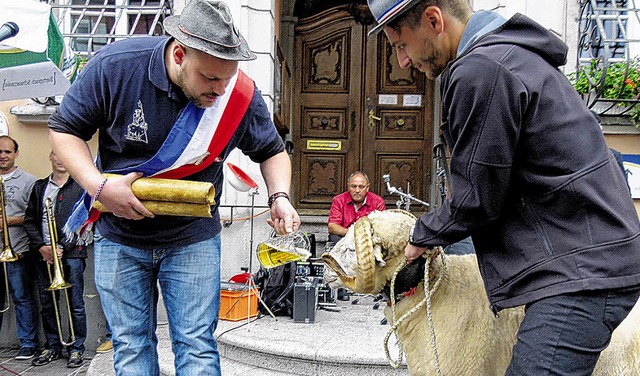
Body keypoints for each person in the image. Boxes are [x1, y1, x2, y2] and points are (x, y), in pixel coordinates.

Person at [366, 0, 640, 374]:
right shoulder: (509, 56)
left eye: (400, 44)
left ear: (433, 19)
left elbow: (476, 199)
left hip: (581, 271)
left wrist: (419, 236)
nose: (401, 61)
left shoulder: (481, 70)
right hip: (585, 261)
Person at [47, 0, 300, 374]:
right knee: (131, 347)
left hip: (193, 239)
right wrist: (98, 187)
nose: (220, 90)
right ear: (179, 53)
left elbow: (273, 151)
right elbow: (64, 130)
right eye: (211, 78)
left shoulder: (236, 94)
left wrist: (279, 196)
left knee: (197, 348)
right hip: (119, 235)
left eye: (227, 79)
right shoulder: (116, 66)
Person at [23, 151, 88, 368]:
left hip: (72, 254)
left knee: (75, 303)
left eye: (65, 155)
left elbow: (84, 221)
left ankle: (77, 347)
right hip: (44, 255)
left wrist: (62, 247)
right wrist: (42, 247)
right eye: (56, 155)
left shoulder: (80, 186)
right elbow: (29, 221)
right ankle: (52, 345)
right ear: (50, 157)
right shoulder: (40, 187)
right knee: (47, 303)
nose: (60, 159)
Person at [0, 135, 38, 360]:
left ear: (16, 154)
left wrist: (7, 221)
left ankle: (28, 344)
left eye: (7, 152)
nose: (3, 156)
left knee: (22, 297)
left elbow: (33, 216)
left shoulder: (28, 181)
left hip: (18, 249)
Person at [328, 171, 386, 243]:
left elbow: (381, 229)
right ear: (348, 186)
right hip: (345, 237)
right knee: (334, 237)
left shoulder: (378, 202)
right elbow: (332, 226)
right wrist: (354, 234)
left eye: (361, 187)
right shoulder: (339, 200)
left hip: (368, 239)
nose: (357, 190)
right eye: (353, 186)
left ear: (367, 188)